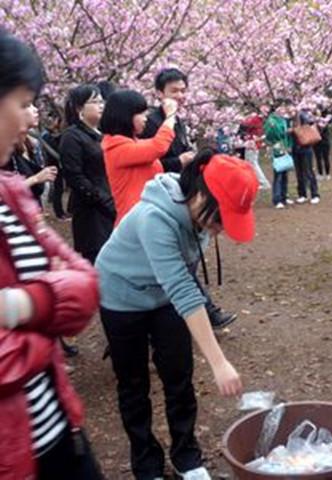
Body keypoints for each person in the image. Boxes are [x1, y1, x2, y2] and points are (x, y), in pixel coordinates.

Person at [96, 151, 256, 480]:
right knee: (134, 384)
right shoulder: (154, 218)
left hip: (163, 295)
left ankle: (186, 456)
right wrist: (219, 362)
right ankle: (146, 463)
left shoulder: (199, 217)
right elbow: (183, 288)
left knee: (179, 375)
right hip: (121, 297)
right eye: (220, 219)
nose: (220, 229)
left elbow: (181, 281)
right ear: (200, 194)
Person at [0, 28, 103, 479]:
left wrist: (22, 305)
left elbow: (86, 285)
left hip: (61, 432)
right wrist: (48, 327)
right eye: (23, 103)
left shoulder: (10, 194)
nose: (31, 118)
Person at [101, 89, 176, 225]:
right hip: (134, 221)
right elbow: (158, 146)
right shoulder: (116, 147)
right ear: (125, 116)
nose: (145, 118)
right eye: (141, 113)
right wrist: (170, 116)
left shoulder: (132, 143)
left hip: (147, 216)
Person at [60, 84, 114, 265]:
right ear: (79, 108)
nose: (101, 106)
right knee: (98, 262)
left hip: (111, 204)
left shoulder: (103, 134)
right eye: (95, 102)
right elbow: (75, 177)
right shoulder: (72, 137)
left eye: (102, 101)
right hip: (91, 211)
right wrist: (104, 200)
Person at [140, 68, 195, 173]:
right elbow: (146, 161)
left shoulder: (178, 121)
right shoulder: (149, 122)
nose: (180, 96)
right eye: (174, 91)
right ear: (160, 93)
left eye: (183, 91)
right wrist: (178, 161)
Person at [2, 103, 58, 205]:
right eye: (27, 105)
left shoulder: (30, 142)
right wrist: (35, 179)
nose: (36, 109)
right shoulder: (5, 149)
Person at [264, 101, 293, 209]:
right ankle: (277, 198)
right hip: (277, 147)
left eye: (283, 109)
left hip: (285, 146)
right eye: (280, 108)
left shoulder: (283, 120)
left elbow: (287, 134)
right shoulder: (271, 121)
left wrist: (289, 145)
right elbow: (270, 135)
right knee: (278, 173)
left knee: (285, 172)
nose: (282, 111)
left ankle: (284, 196)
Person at [292, 107, 320, 205]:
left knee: (308, 171)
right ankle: (302, 194)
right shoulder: (288, 119)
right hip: (295, 148)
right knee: (299, 172)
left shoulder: (302, 115)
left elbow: (310, 122)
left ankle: (314, 194)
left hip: (305, 148)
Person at [313, 106, 332, 180]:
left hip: (325, 141)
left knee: (326, 157)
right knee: (318, 158)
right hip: (317, 142)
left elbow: (324, 126)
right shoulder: (314, 121)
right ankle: (320, 173)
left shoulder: (325, 120)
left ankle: (327, 174)